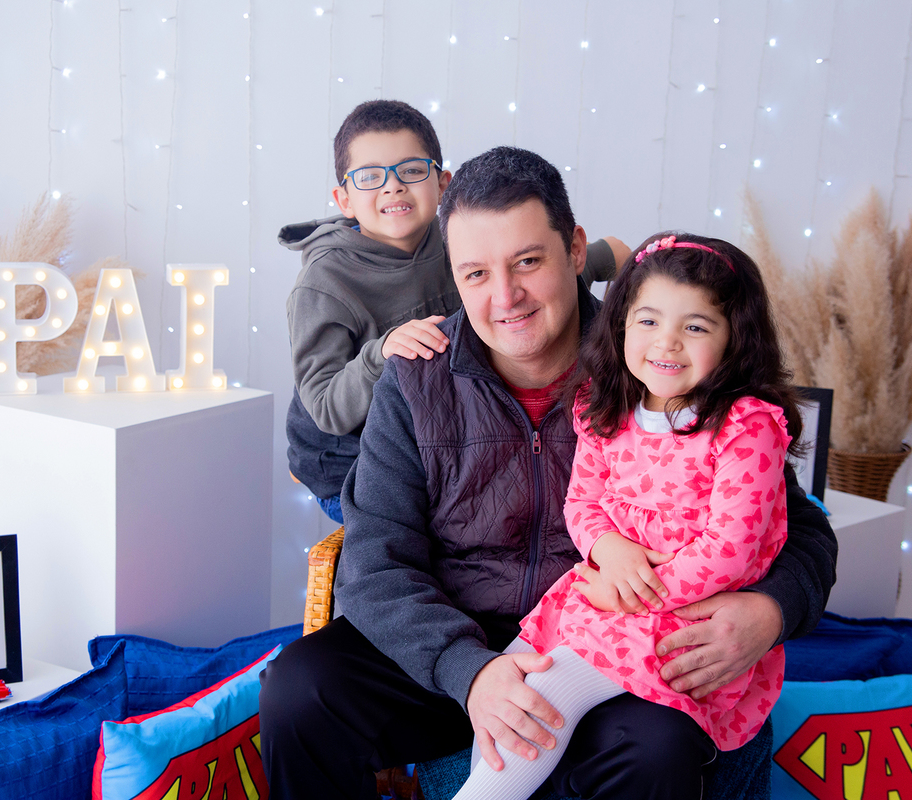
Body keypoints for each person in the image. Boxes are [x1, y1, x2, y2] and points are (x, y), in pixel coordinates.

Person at [260, 146, 837, 800]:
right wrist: (470, 673)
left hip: (608, 653)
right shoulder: (418, 380)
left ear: (575, 249)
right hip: (460, 650)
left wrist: (771, 610)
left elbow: (801, 529)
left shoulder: (656, 368)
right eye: (475, 273)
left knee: (659, 750)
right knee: (300, 691)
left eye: (527, 262)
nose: (504, 298)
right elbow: (377, 561)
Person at [452, 231, 805, 800]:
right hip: (599, 593)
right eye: (648, 322)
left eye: (695, 326)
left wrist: (641, 591)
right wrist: (606, 550)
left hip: (679, 616)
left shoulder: (746, 427)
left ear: (734, 337)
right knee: (512, 676)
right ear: (620, 326)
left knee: (544, 696)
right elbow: (582, 503)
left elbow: (732, 549)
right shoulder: (605, 407)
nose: (667, 344)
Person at [281, 101, 625, 523]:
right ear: (344, 198)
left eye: (410, 170)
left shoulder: (456, 241)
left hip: (440, 439)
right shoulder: (325, 283)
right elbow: (326, 409)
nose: (392, 187)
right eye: (370, 177)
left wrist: (605, 264)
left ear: (442, 184)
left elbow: (537, 264)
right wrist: (381, 352)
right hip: (346, 461)